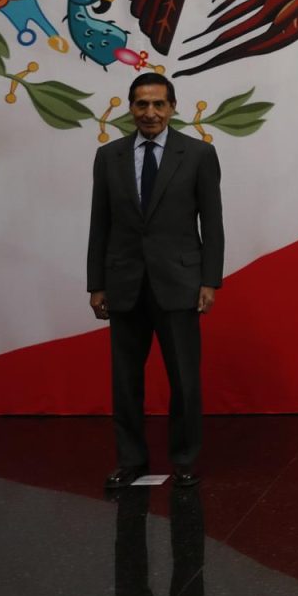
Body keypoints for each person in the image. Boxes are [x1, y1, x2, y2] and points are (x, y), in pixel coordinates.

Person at [88, 71, 224, 488]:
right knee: (125, 382)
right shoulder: (108, 156)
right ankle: (131, 460)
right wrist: (96, 283)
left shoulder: (198, 154)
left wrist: (209, 280)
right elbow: (100, 224)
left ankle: (184, 460)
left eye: (159, 104)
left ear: (173, 108)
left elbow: (212, 223)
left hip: (179, 283)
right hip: (124, 282)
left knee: (184, 379)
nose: (150, 112)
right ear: (130, 108)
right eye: (142, 104)